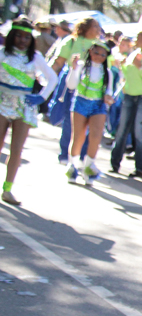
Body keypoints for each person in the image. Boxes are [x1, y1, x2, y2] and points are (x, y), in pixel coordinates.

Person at [0, 17, 58, 205]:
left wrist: (41, 97)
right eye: (19, 36)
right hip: (2, 101)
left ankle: (7, 189)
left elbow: (52, 78)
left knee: (16, 150)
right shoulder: (2, 54)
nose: (23, 40)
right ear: (12, 37)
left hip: (24, 106)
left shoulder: (35, 57)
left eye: (27, 37)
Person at [110, 30, 142, 178]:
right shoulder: (134, 53)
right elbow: (128, 75)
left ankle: (140, 168)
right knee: (121, 130)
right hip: (130, 96)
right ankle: (114, 163)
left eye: (138, 39)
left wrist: (141, 67)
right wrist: (123, 66)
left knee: (139, 132)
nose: (135, 41)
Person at [49, 17, 101, 163]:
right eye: (95, 26)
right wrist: (46, 77)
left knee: (87, 123)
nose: (98, 30)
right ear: (85, 28)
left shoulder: (99, 46)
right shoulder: (71, 41)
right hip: (70, 83)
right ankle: (65, 154)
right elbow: (58, 61)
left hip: (90, 87)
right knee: (69, 119)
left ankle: (82, 155)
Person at [64, 41, 114, 186]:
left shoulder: (107, 72)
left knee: (96, 136)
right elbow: (71, 85)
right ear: (90, 52)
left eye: (103, 54)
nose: (98, 57)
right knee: (78, 136)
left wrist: (108, 97)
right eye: (96, 52)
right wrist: (73, 69)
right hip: (81, 102)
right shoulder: (81, 66)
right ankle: (72, 166)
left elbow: (109, 89)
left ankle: (88, 167)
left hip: (98, 105)